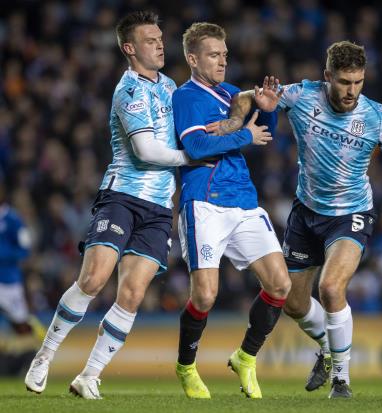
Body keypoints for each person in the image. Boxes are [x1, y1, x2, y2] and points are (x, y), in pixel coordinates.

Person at [221, 40, 382, 398]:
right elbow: (247, 95)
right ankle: (328, 344)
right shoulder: (302, 96)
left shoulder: (375, 118)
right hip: (306, 213)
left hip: (351, 214)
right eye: (343, 82)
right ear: (327, 77)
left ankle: (341, 380)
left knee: (332, 287)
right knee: (292, 301)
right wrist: (238, 117)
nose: (351, 90)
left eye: (358, 82)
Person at [24, 11, 200, 399]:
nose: (160, 44)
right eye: (151, 40)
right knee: (93, 279)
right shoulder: (128, 91)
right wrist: (193, 157)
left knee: (133, 292)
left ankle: (89, 375)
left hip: (157, 207)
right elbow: (147, 149)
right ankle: (45, 356)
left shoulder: (170, 85)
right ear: (129, 48)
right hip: (122, 195)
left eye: (160, 38)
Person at [171, 22, 291, 399]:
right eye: (213, 54)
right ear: (193, 58)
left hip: (242, 200)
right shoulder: (186, 96)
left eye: (224, 54)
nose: (223, 60)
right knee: (205, 296)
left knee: (280, 285)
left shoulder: (231, 94)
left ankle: (245, 357)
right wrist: (242, 135)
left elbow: (262, 135)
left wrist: (267, 113)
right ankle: (186, 366)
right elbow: (195, 149)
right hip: (204, 201)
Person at [0, 181, 44, 342]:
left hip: (8, 280)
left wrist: (4, 255)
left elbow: (24, 249)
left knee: (20, 322)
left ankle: (38, 345)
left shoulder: (13, 219)